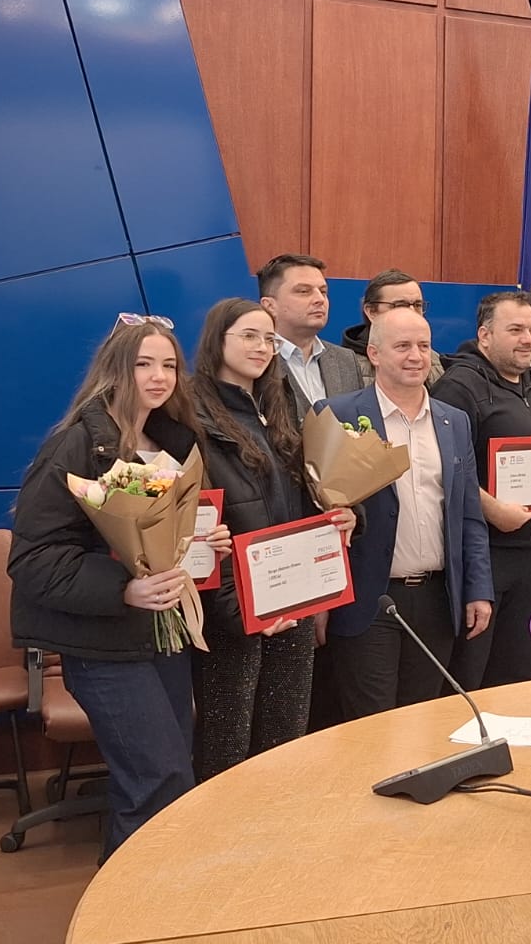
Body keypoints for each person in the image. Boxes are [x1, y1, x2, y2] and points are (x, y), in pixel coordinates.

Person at [8, 317, 224, 862]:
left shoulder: (175, 443)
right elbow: (33, 560)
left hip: (164, 635)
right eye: (143, 364)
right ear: (115, 370)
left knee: (170, 775)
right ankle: (126, 902)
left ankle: (159, 892)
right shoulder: (77, 445)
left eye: (169, 365)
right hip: (101, 645)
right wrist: (123, 589)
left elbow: (167, 542)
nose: (159, 376)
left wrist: (206, 544)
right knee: (157, 779)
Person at [187, 298, 355, 778]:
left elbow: (306, 495)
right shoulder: (191, 418)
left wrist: (342, 514)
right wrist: (238, 611)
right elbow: (196, 531)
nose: (261, 347)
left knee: (285, 742)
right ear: (217, 340)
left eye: (268, 339)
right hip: (234, 613)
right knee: (227, 752)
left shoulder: (277, 408)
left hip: (291, 599)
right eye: (248, 336)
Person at [318, 309, 494, 720]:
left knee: (422, 723)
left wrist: (478, 588)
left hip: (437, 600)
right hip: (369, 600)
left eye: (423, 346)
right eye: (402, 346)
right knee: (372, 728)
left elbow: (469, 515)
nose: (416, 356)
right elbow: (316, 510)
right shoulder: (337, 415)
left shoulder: (454, 421)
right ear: (374, 354)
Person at [429, 291, 531, 687]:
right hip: (483, 554)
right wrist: (492, 509)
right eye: (515, 330)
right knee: (470, 674)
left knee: (516, 675)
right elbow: (444, 467)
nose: (528, 339)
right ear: (484, 336)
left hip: (530, 554)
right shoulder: (459, 387)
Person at [257, 253, 364, 422]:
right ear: (270, 306)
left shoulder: (345, 360)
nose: (320, 299)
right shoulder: (255, 359)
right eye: (304, 291)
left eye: (323, 291)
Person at [341, 269, 446, 388]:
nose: (412, 313)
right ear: (371, 312)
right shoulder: (344, 367)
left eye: (418, 305)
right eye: (400, 305)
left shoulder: (434, 360)